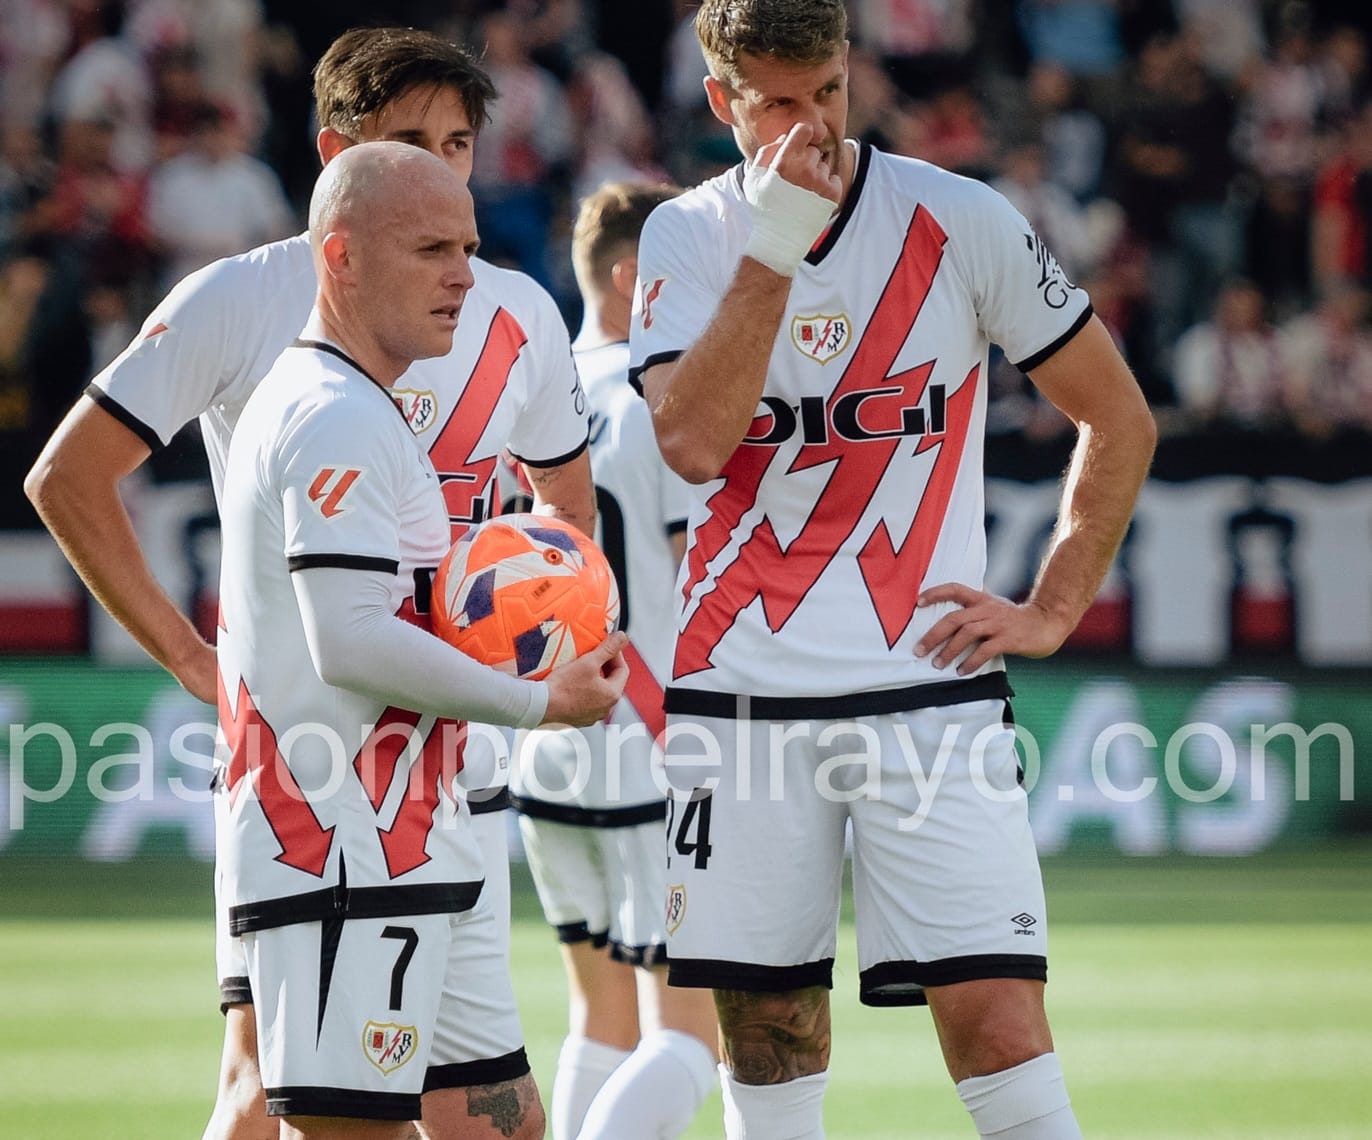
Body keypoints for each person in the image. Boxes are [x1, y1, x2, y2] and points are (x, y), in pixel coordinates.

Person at [25, 26, 595, 1140]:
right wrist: (194, 658)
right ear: (337, 153)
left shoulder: (516, 309)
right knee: (267, 1100)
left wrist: (537, 627)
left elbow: (565, 517)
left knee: (493, 1118)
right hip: (313, 780)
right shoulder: (245, 306)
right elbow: (69, 477)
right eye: (407, 143)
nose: (440, 166)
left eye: (460, 144)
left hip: (447, 766)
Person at [628, 3, 1156, 1139]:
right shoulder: (684, 237)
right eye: (775, 99)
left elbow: (1117, 416)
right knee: (768, 1042)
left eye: (825, 88)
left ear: (852, 70)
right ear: (720, 101)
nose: (809, 121)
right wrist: (775, 241)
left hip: (930, 685)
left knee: (1001, 1025)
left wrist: (1056, 603)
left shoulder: (959, 218)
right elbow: (692, 442)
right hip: (742, 696)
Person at [214, 140, 627, 1138]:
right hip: (340, 849)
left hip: (417, 837)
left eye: (471, 248)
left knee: (505, 1126)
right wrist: (541, 700)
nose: (463, 279)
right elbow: (349, 641)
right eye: (432, 249)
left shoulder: (365, 408)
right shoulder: (330, 415)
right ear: (340, 256)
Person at [510, 181, 718, 1140]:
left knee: (598, 1013)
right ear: (634, 277)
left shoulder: (527, 398)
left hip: (542, 733)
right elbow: (697, 574)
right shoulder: (654, 407)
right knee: (691, 1034)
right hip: (647, 730)